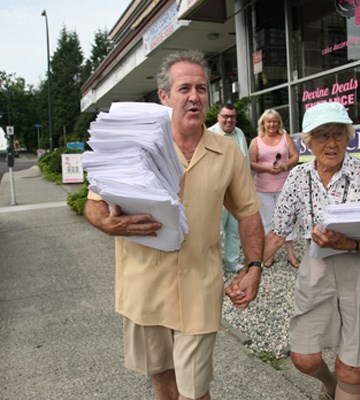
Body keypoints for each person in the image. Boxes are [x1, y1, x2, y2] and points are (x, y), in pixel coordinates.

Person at [84, 50, 264, 400]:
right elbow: (94, 204)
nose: (194, 96)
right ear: (164, 97)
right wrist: (108, 225)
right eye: (184, 88)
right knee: (162, 377)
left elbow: (248, 213)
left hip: (198, 284)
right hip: (143, 286)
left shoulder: (227, 153)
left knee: (194, 390)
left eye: (201, 88)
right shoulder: (134, 146)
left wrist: (254, 266)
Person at [263, 102, 360, 400]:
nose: (331, 142)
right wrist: (250, 268)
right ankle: (329, 386)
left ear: (348, 138)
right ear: (308, 142)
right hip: (317, 268)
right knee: (304, 358)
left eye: (338, 134)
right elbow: (278, 230)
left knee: (351, 371)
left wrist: (351, 244)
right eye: (322, 135)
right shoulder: (298, 177)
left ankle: (343, 386)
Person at [248, 109, 300, 268]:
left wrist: (285, 166)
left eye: (274, 121)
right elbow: (251, 162)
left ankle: (291, 254)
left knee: (287, 220)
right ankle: (269, 255)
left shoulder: (285, 137)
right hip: (263, 188)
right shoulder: (256, 141)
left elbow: (295, 156)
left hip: (284, 186)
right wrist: (267, 169)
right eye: (268, 121)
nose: (271, 124)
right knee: (268, 221)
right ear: (263, 123)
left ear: (279, 123)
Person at [209, 103, 249, 273]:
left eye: (232, 116)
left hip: (236, 190)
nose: (229, 120)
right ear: (218, 117)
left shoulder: (239, 133)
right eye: (225, 116)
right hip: (216, 191)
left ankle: (232, 263)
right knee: (215, 231)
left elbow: (245, 161)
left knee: (233, 229)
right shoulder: (209, 134)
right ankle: (215, 267)